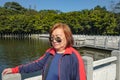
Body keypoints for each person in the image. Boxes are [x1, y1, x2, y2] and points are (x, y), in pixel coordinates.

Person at [2, 23, 86, 80]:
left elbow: (81, 77)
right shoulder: (50, 52)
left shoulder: (73, 56)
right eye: (52, 38)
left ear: (67, 37)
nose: (54, 41)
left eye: (58, 38)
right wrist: (15, 69)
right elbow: (35, 65)